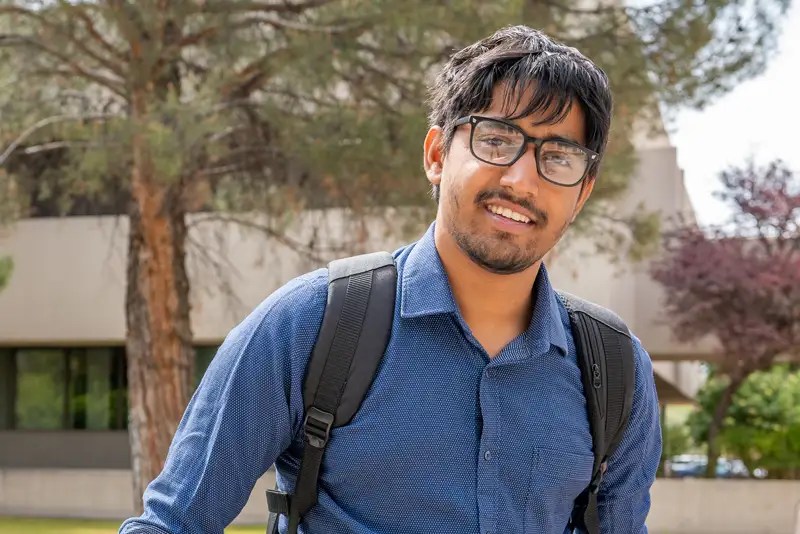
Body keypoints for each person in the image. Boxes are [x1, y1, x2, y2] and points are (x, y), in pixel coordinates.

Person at [119, 25, 661, 534]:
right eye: (497, 140)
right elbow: (171, 523)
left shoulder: (614, 369)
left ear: (582, 193)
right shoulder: (313, 324)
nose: (522, 180)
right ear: (437, 154)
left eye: (558, 157)